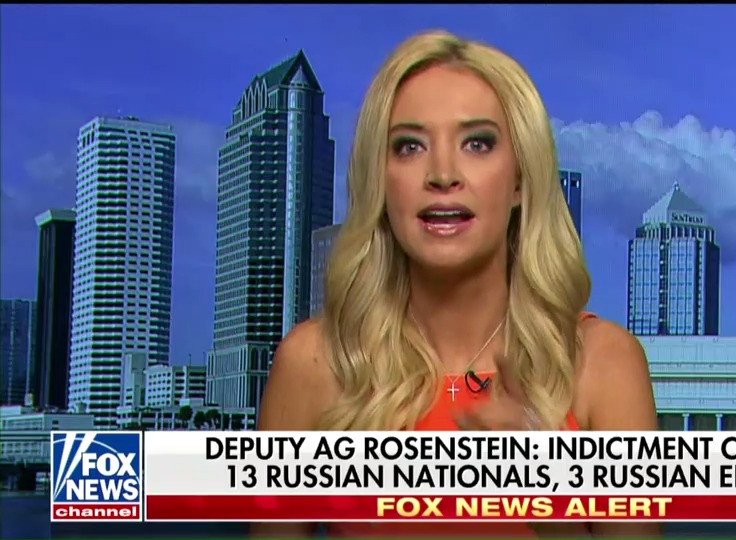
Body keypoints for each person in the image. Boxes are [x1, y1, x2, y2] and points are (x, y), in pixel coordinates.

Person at [252, 29, 658, 538]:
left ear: (520, 180)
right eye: (409, 146)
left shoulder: (604, 364)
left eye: (477, 143)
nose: (442, 174)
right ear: (380, 180)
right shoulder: (314, 363)